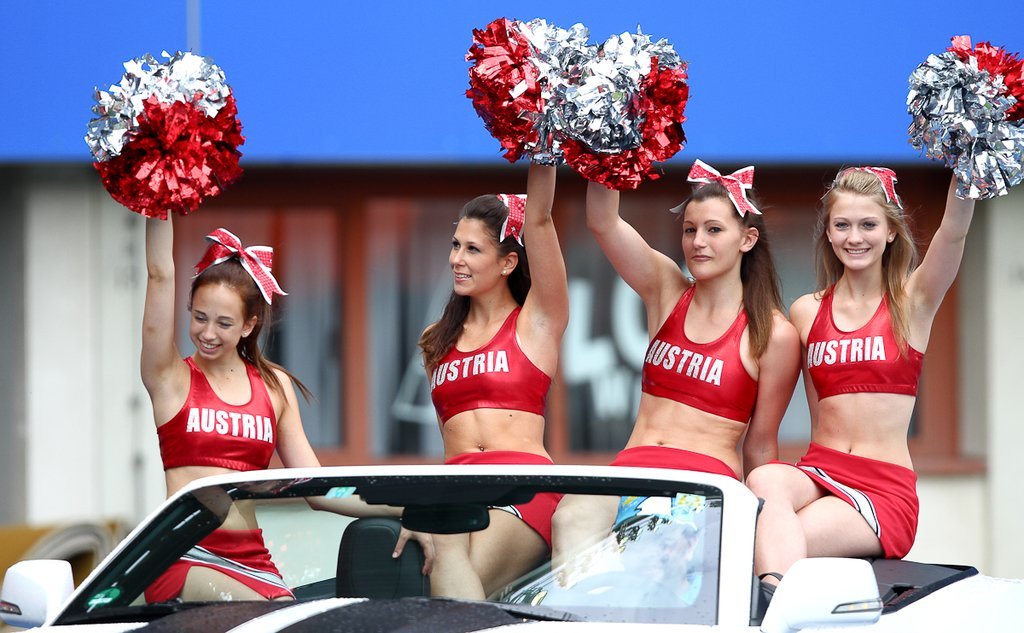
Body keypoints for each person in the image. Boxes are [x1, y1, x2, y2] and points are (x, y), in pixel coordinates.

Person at [141, 218, 431, 602]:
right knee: (265, 615)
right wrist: (157, 200)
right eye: (199, 318)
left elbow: (319, 490)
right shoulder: (170, 379)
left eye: (224, 323)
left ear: (249, 325)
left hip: (251, 559)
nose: (208, 333)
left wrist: (406, 511)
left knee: (292, 619)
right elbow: (160, 274)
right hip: (182, 553)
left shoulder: (274, 386)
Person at [551, 160, 801, 568]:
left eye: (714, 230)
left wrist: (758, 532)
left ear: (748, 238)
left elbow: (760, 446)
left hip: (699, 487)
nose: (698, 241)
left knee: (650, 566)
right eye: (689, 230)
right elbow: (603, 222)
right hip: (632, 469)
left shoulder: (774, 335)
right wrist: (609, 150)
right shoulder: (666, 288)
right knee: (569, 519)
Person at [746, 167, 975, 593]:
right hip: (819, 472)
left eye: (868, 225)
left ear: (891, 231)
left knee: (781, 538)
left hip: (882, 488)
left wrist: (968, 167)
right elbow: (817, 409)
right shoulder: (806, 311)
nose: (855, 237)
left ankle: (775, 605)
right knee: (763, 480)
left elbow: (953, 233)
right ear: (828, 233)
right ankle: (777, 602)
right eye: (842, 225)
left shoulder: (912, 300)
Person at [420, 163, 569, 599]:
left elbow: (540, 220)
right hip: (454, 491)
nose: (456, 259)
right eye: (455, 245)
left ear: (507, 262)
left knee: (457, 583)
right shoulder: (435, 339)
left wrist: (542, 153)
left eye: (473, 249)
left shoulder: (537, 322)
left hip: (521, 489)